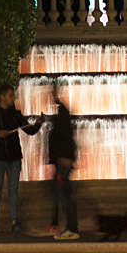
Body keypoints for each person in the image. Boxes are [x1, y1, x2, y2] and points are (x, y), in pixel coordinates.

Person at [0, 84, 44, 234]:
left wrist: (38, 123)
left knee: (13, 190)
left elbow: (29, 130)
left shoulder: (15, 115)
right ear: (2, 97)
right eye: (10, 95)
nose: (13, 98)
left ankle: (15, 221)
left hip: (14, 157)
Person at [48, 85, 79, 240]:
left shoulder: (63, 113)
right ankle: (66, 226)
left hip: (63, 162)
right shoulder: (62, 113)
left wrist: (66, 157)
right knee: (62, 192)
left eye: (52, 93)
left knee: (63, 194)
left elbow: (65, 136)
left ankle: (72, 228)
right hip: (62, 161)